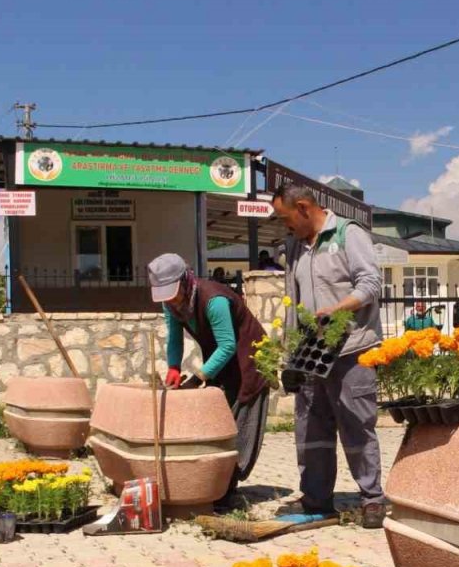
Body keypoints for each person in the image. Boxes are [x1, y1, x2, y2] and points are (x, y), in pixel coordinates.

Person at [269, 183, 386, 528]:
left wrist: (337, 310)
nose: (283, 225)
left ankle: (372, 499)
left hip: (352, 348)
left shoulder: (349, 234)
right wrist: (291, 353)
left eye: (285, 217)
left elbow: (370, 283)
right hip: (310, 353)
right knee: (311, 430)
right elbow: (294, 298)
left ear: (304, 207)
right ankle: (317, 500)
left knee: (356, 425)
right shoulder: (294, 246)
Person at [148, 253, 269, 508]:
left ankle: (227, 488)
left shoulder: (214, 300)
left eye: (172, 292)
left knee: (239, 423)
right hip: (222, 362)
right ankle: (217, 483)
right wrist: (172, 367)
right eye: (164, 295)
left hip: (250, 359)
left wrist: (199, 377)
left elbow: (227, 345)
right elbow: (174, 338)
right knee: (218, 422)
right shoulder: (170, 304)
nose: (169, 300)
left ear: (184, 280)